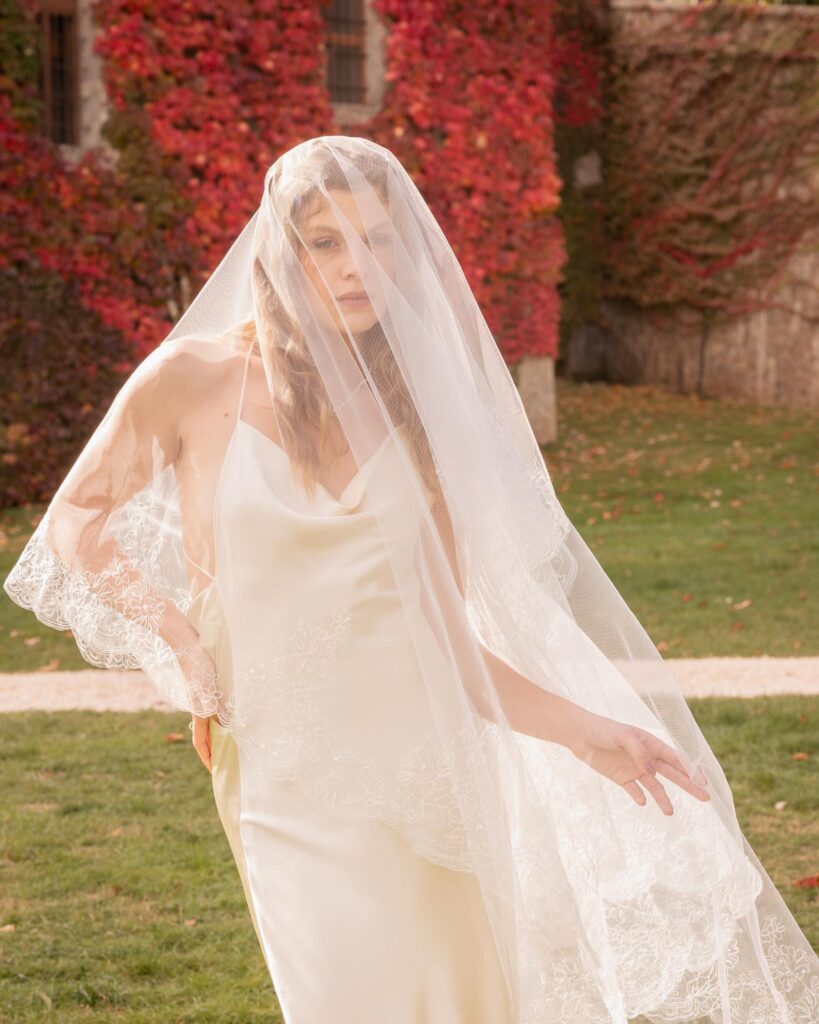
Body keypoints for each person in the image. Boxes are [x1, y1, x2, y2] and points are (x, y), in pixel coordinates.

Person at [4, 135, 816, 1023]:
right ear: (279, 247)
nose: (358, 267)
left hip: (432, 772)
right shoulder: (192, 380)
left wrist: (584, 732)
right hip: (282, 766)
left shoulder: (417, 410)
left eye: (378, 239)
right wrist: (179, 638)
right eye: (326, 241)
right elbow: (77, 522)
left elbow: (445, 639)